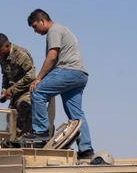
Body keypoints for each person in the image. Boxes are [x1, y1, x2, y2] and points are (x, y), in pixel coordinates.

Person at [25, 10, 94, 159]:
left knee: (37, 91)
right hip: (80, 74)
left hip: (69, 71)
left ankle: (41, 132)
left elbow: (52, 56)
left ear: (43, 20)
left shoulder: (54, 30)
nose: (35, 31)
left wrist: (38, 79)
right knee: (76, 115)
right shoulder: (62, 29)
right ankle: (86, 150)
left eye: (35, 26)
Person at [0, 33, 55, 137]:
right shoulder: (1, 59)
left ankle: (28, 140)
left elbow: (30, 76)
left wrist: (12, 89)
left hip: (27, 91)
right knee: (9, 121)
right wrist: (4, 90)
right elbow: (5, 76)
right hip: (14, 95)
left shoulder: (21, 54)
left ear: (7, 46)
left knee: (24, 110)